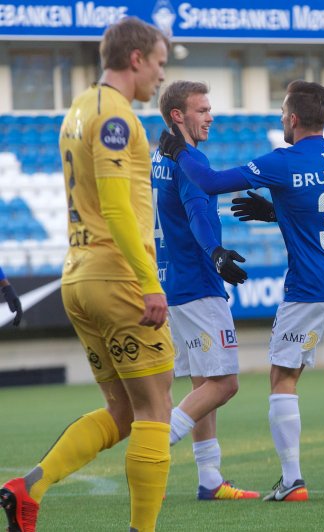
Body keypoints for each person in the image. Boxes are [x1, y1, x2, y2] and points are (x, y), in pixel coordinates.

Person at [158, 80, 324, 502]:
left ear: (293, 119)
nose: (280, 120)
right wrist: (277, 211)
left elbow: (209, 182)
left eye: (282, 114)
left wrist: (179, 151)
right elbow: (322, 207)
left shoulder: (282, 161)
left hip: (311, 285)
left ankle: (292, 480)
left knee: (283, 377)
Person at [1, 17, 173, 532]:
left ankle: (28, 488)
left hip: (79, 275)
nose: (161, 76)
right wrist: (149, 282)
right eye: (159, 63)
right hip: (117, 277)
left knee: (122, 410)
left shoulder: (77, 109)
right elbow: (117, 209)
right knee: (156, 408)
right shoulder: (116, 117)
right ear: (136, 59)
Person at [151, 81, 261, 501]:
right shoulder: (191, 160)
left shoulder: (158, 158)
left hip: (172, 283)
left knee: (204, 383)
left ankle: (210, 478)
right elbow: (198, 212)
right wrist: (215, 252)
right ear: (178, 115)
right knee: (225, 383)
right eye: (202, 110)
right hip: (198, 285)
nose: (210, 117)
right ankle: (155, 446)